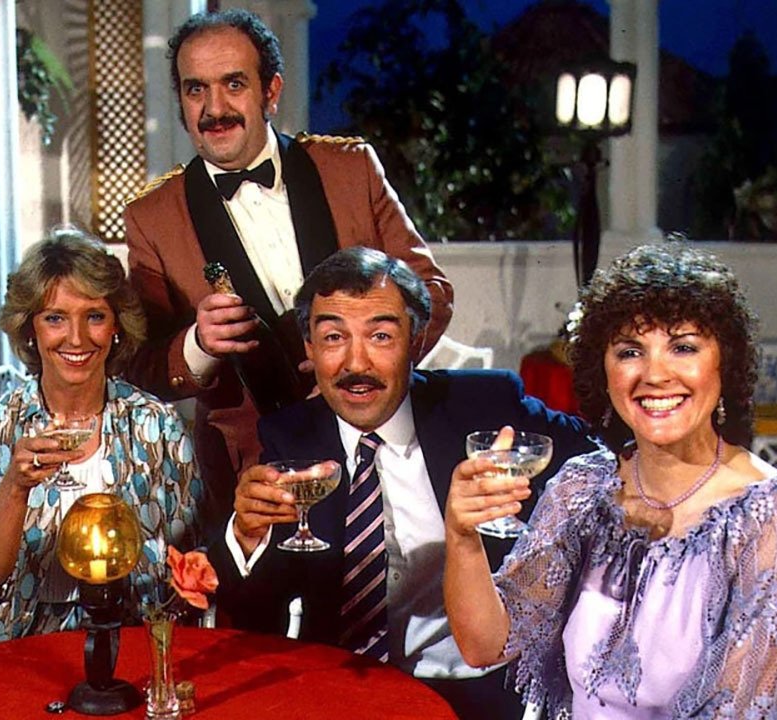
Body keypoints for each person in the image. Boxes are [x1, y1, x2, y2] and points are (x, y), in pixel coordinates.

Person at [444, 243, 777, 718]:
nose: (655, 374)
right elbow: (487, 646)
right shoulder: (584, 489)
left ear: (725, 365)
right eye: (630, 351)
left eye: (683, 347)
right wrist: (462, 536)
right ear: (604, 371)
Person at [205, 247, 594, 720]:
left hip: (472, 689)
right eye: (333, 337)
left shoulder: (485, 406)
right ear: (309, 348)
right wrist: (246, 537)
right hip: (340, 687)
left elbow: (600, 458)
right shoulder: (290, 437)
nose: (356, 363)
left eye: (381, 336)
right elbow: (257, 612)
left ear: (416, 340)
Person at [124, 8, 454, 526]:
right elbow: (140, 363)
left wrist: (364, 365)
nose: (214, 108)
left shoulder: (350, 169)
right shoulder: (153, 216)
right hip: (252, 469)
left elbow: (431, 290)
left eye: (234, 84)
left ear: (271, 91)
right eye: (196, 90)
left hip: (381, 441)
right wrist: (199, 344)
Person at [0, 228, 202, 642]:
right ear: (30, 328)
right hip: (24, 644)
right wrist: (16, 487)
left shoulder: (158, 425)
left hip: (135, 639)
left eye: (95, 316)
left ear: (116, 325)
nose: (76, 338)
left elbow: (190, 563)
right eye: (55, 318)